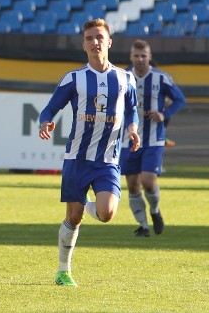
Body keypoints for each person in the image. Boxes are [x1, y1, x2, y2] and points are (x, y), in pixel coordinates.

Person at [38, 18, 141, 287]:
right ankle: (63, 270)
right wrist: (45, 121)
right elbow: (49, 109)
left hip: (107, 159)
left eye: (99, 37)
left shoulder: (125, 78)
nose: (94, 42)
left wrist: (132, 129)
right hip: (77, 158)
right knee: (74, 217)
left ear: (108, 42)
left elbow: (132, 111)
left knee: (107, 213)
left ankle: (87, 204)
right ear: (84, 45)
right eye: (89, 38)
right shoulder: (74, 78)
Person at [120, 39, 186, 237]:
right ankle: (143, 226)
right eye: (136, 56)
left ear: (150, 57)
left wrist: (164, 114)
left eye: (143, 55)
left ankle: (155, 211)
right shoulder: (122, 77)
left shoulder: (161, 78)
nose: (140, 59)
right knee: (132, 184)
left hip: (153, 139)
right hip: (128, 139)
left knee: (148, 181)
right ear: (131, 57)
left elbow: (180, 99)